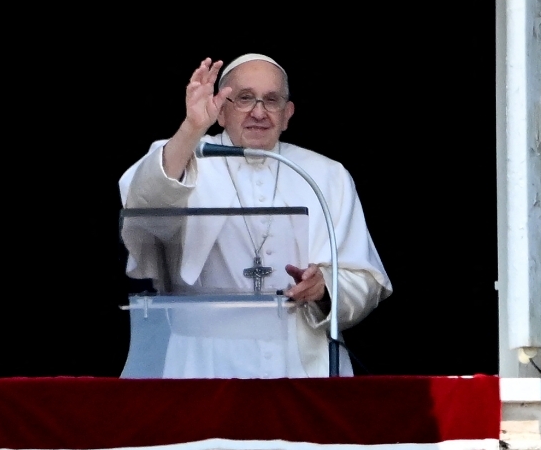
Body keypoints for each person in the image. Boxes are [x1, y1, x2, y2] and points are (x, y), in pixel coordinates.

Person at [118, 53, 392, 379]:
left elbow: (366, 281)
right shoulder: (184, 157)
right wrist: (191, 128)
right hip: (203, 363)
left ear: (287, 114)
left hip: (303, 364)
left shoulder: (327, 175)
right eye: (245, 98)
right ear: (221, 109)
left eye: (272, 101)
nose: (258, 112)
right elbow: (144, 207)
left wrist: (324, 288)